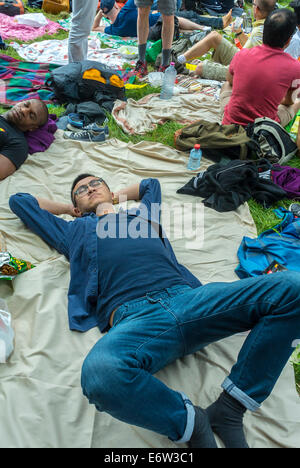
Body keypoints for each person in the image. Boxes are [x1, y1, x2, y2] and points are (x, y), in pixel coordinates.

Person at [9, 175, 300, 448]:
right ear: (76, 204)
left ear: (111, 190)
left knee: (294, 287)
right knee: (100, 373)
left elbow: (150, 185)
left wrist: (112, 199)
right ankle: (191, 423)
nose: (90, 189)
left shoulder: (143, 216)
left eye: (96, 183)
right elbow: (20, 201)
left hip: (191, 300)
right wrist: (72, 210)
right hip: (134, 319)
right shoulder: (72, 232)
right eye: (81, 191)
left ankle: (231, 407)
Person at [220, 8, 300, 127]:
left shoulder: (242, 54)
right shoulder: (295, 67)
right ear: (288, 40)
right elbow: (289, 101)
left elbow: (230, 80)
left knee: (226, 85)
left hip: (230, 125)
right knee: (297, 100)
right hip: (263, 130)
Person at [177, 0, 276, 80]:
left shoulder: (259, 32)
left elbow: (245, 61)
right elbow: (251, 46)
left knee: (200, 68)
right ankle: (179, 60)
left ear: (257, 9)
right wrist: (239, 33)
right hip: (244, 61)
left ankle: (178, 63)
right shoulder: (267, 24)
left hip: (245, 72)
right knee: (214, 36)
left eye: (253, 4)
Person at [93, 0, 232, 47]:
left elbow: (94, 28)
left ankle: (210, 26)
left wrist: (101, 13)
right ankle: (217, 23)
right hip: (163, 20)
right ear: (116, 6)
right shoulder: (126, 11)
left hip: (155, 30)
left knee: (184, 21)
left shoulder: (113, 30)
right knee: (189, 16)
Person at [0, 99, 49, 180]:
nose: (23, 110)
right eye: (25, 105)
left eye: (31, 115)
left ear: (33, 128)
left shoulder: (18, 144)